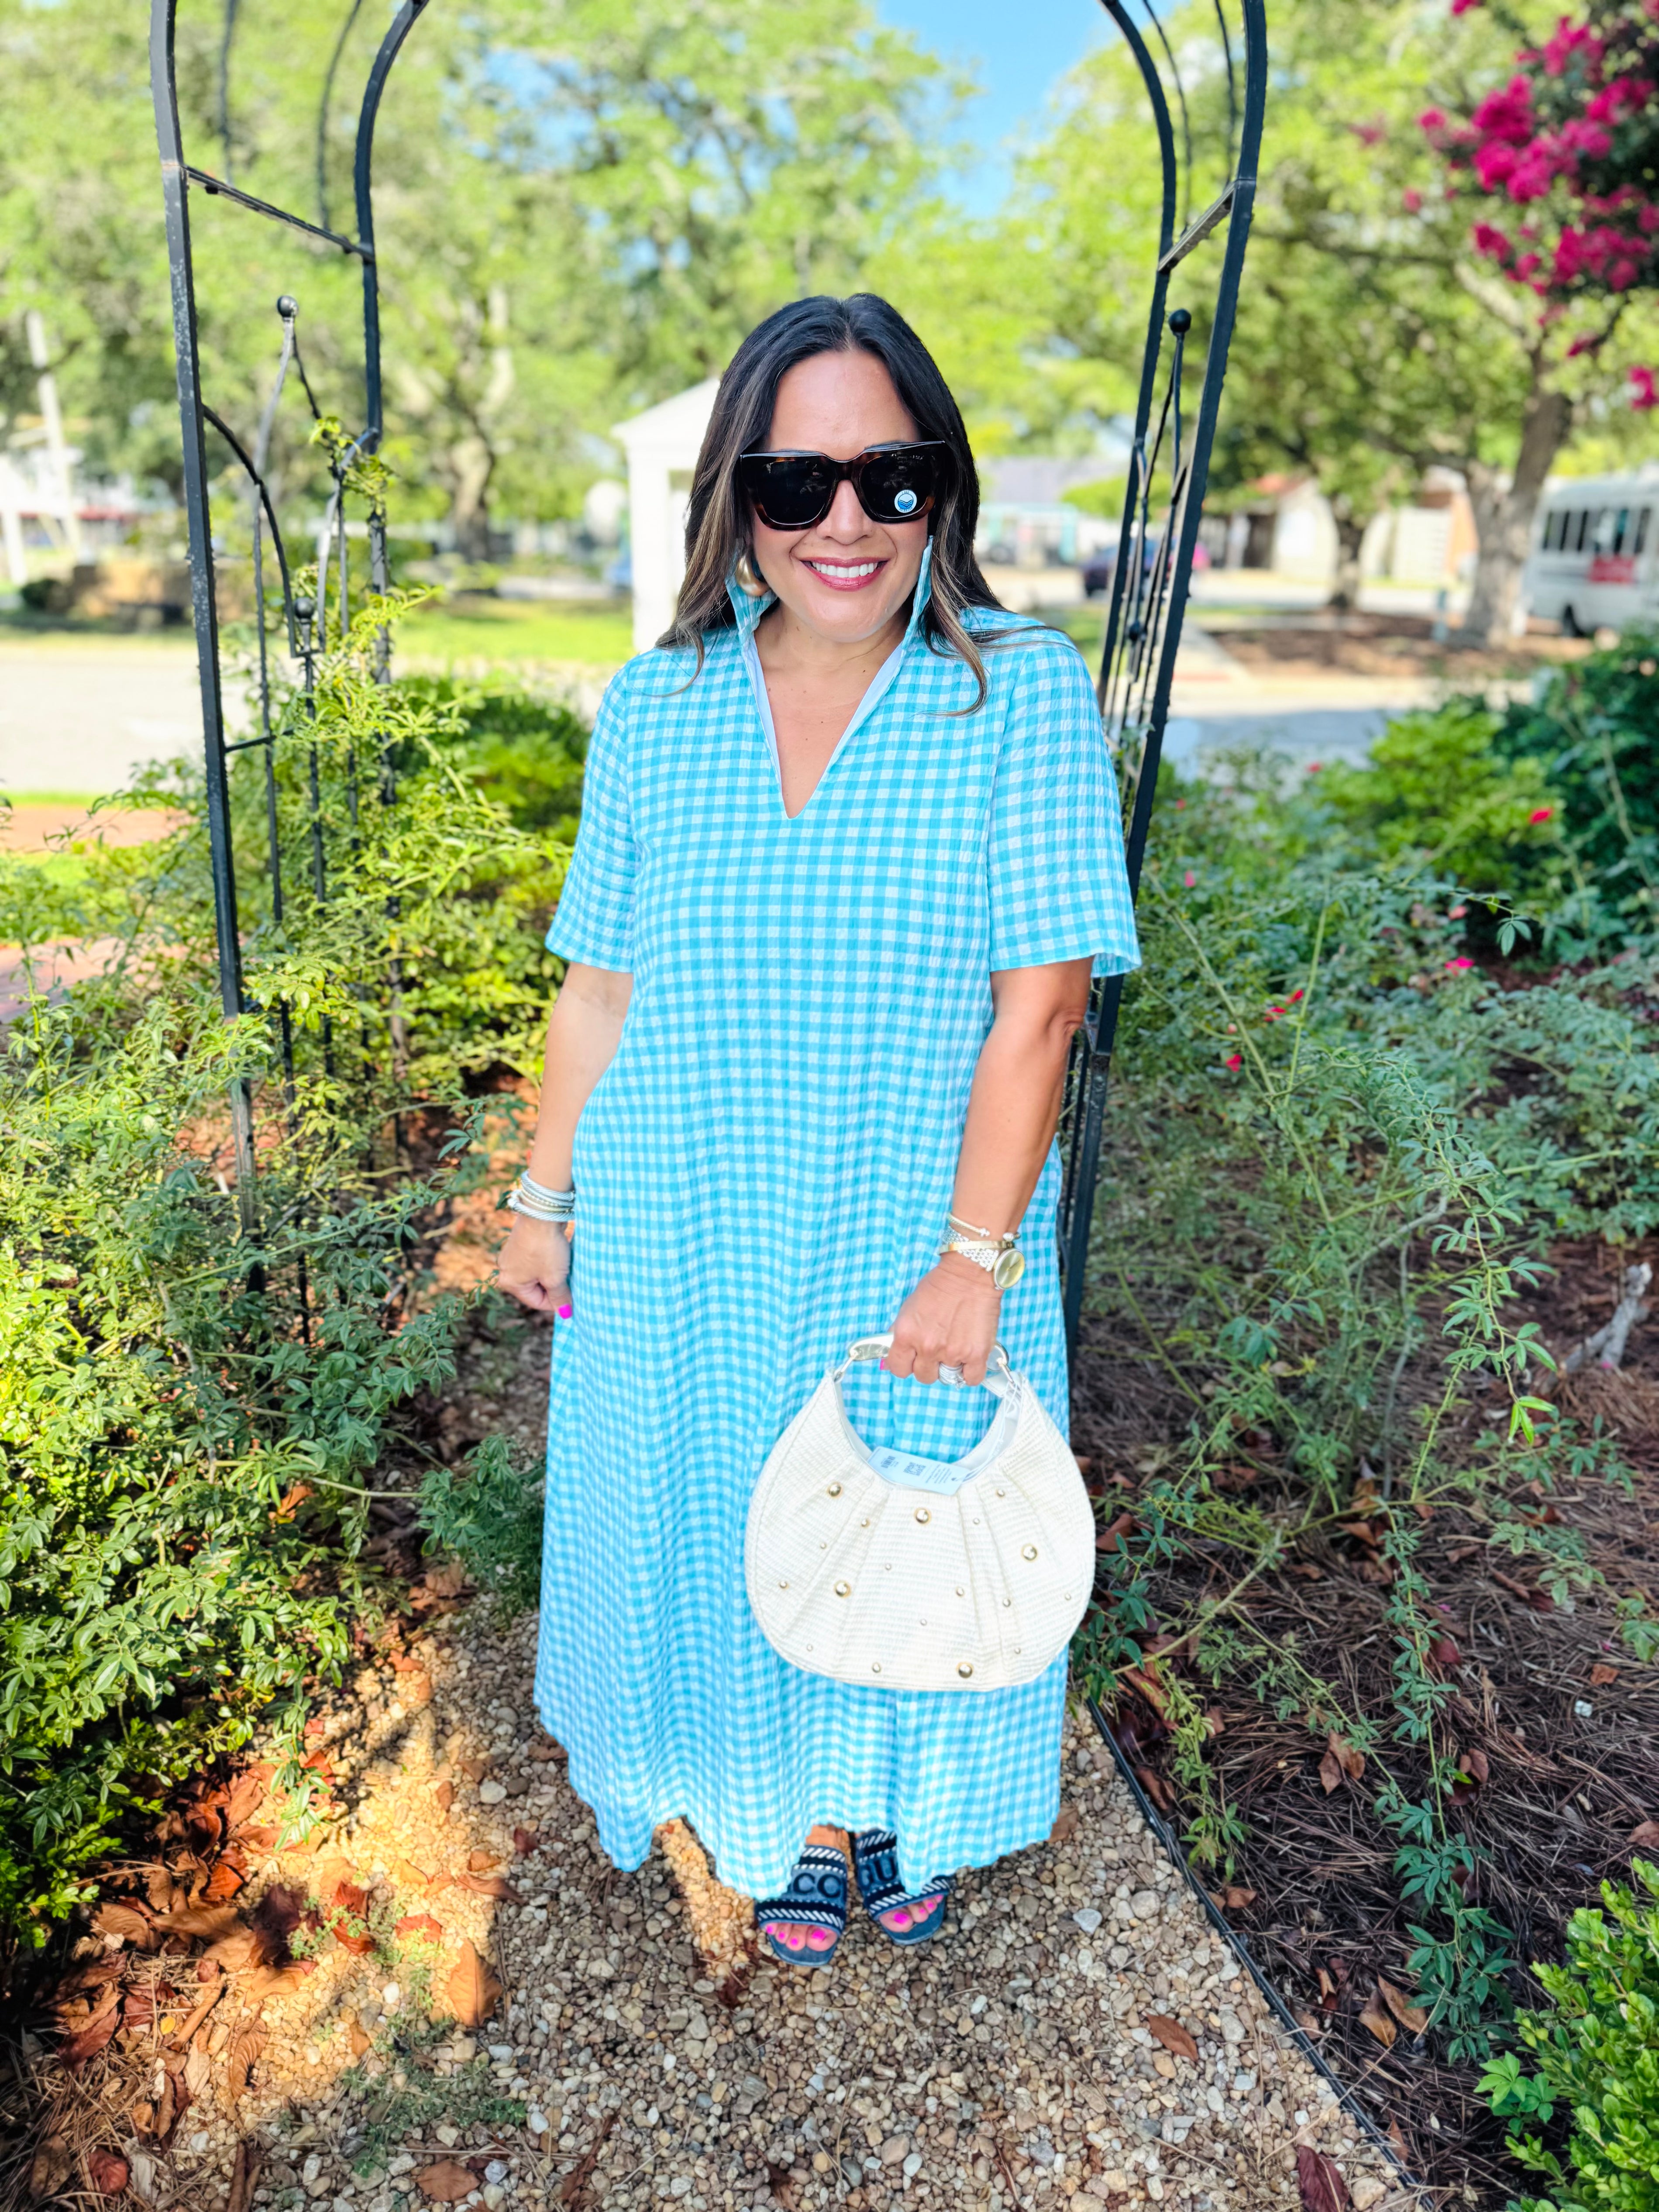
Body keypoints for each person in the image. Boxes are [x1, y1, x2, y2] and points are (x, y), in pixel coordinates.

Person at [496, 292, 1138, 1969]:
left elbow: (1041, 1005)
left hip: (903, 1232)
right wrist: (540, 1194)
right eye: (797, 486)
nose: (844, 522)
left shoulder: (1019, 691)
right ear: (738, 498)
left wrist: (975, 1260)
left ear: (944, 488)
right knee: (702, 1498)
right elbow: (601, 989)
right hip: (676, 1214)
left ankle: (861, 1809)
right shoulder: (659, 702)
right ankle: (747, 1787)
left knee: (895, 1519)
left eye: (889, 476)